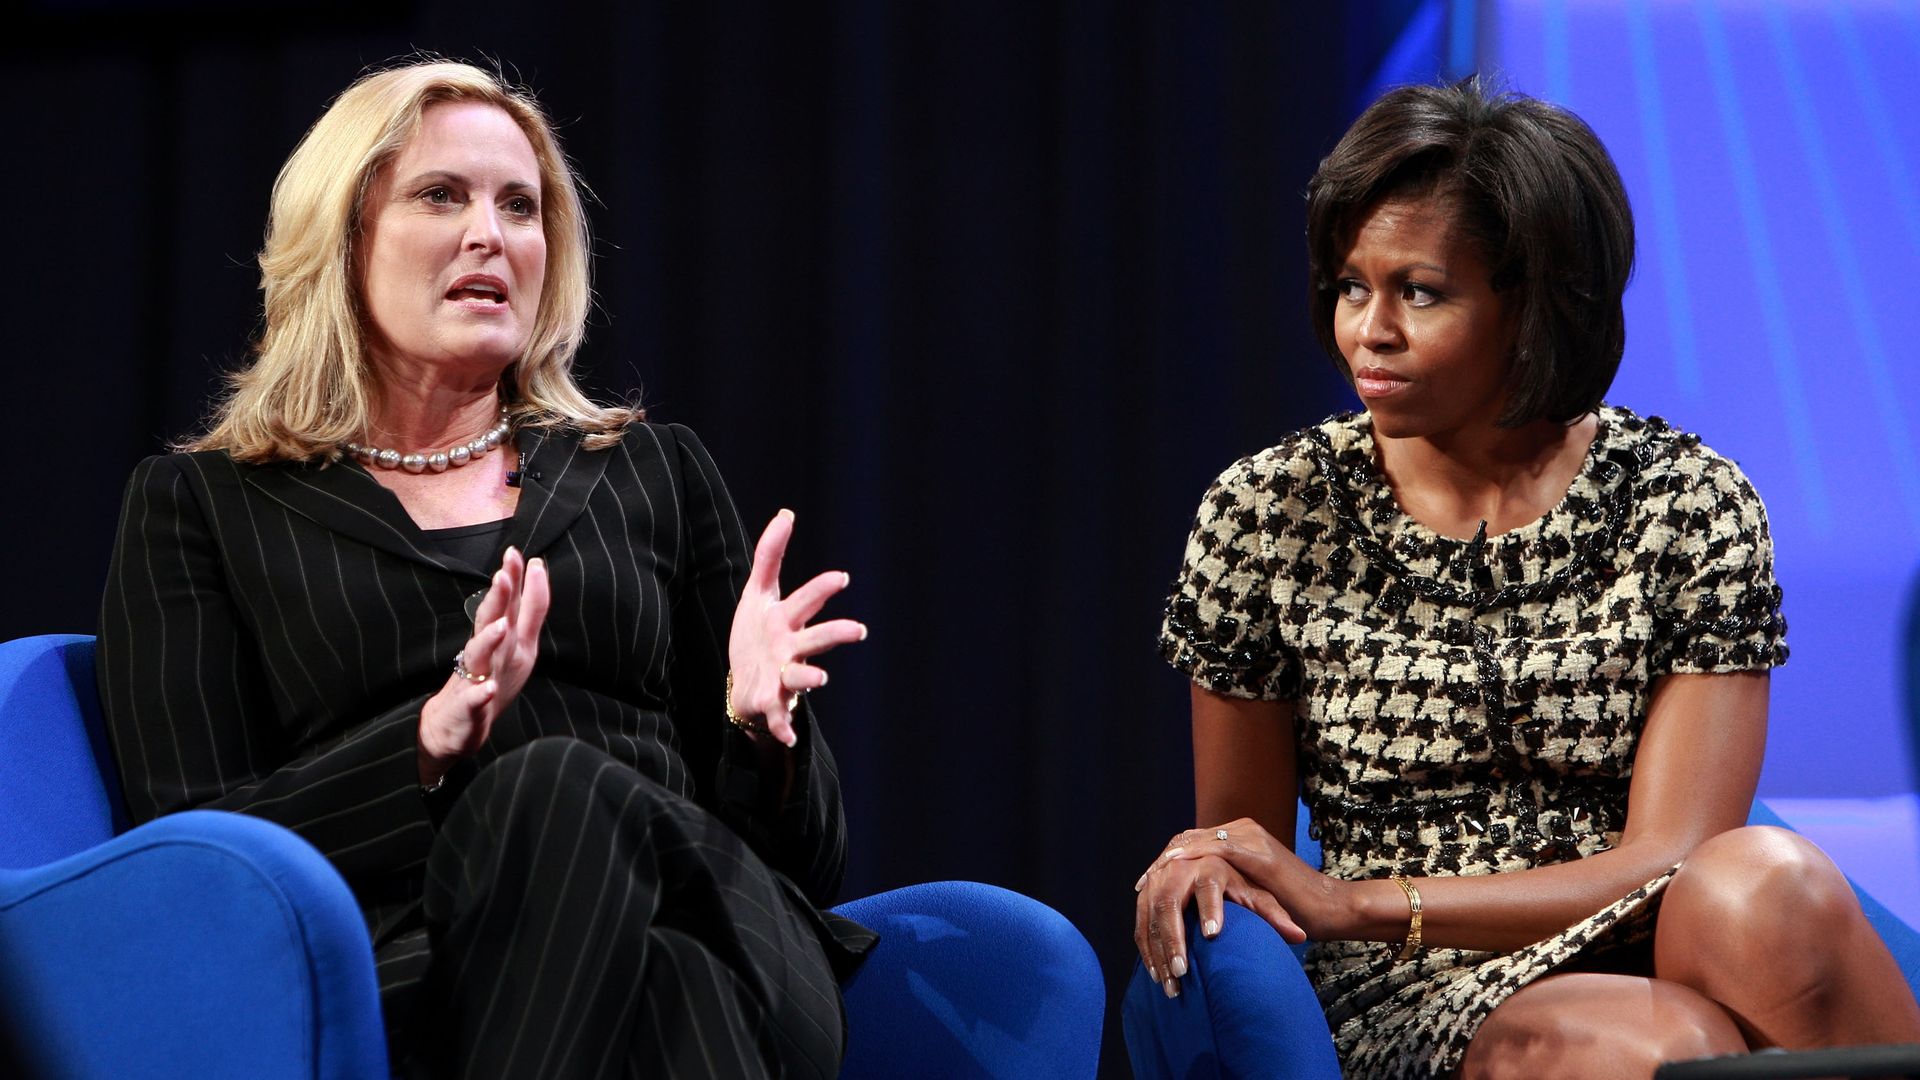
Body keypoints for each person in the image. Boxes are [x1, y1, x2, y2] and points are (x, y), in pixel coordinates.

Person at [1129, 78, 1920, 1078]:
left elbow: (1676, 854)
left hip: (1650, 926)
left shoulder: (1687, 504)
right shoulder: (1271, 513)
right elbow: (1247, 849)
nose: (1367, 331)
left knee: (1766, 885)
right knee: (1672, 1045)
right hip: (1412, 981)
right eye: (1348, 285)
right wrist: (1219, 861)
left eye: (1419, 292)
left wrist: (1359, 897)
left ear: (1535, 305)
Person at [98, 58, 872, 1079]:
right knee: (666, 985)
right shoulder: (202, 508)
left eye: (521, 206)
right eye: (440, 196)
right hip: (422, 962)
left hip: (731, 921)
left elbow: (810, 861)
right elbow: (189, 858)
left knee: (560, 793)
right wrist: (426, 742)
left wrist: (757, 729)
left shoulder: (654, 472)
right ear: (343, 237)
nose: (490, 235)